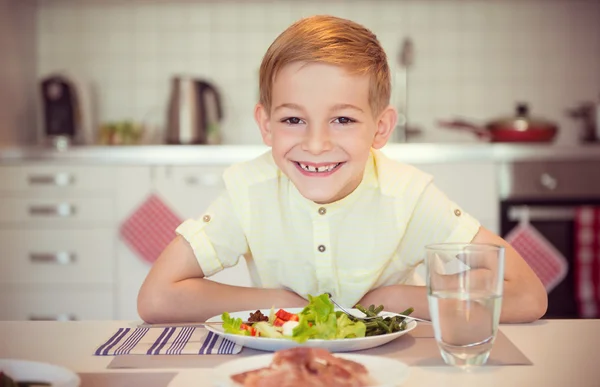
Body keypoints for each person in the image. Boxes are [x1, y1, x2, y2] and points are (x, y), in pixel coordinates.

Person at [138, 15, 547, 324]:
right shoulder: (251, 190)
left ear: (381, 127)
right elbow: (156, 299)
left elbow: (528, 296)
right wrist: (285, 305)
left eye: (344, 120)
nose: (316, 145)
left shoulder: (406, 196)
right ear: (265, 125)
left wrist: (387, 300)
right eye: (293, 120)